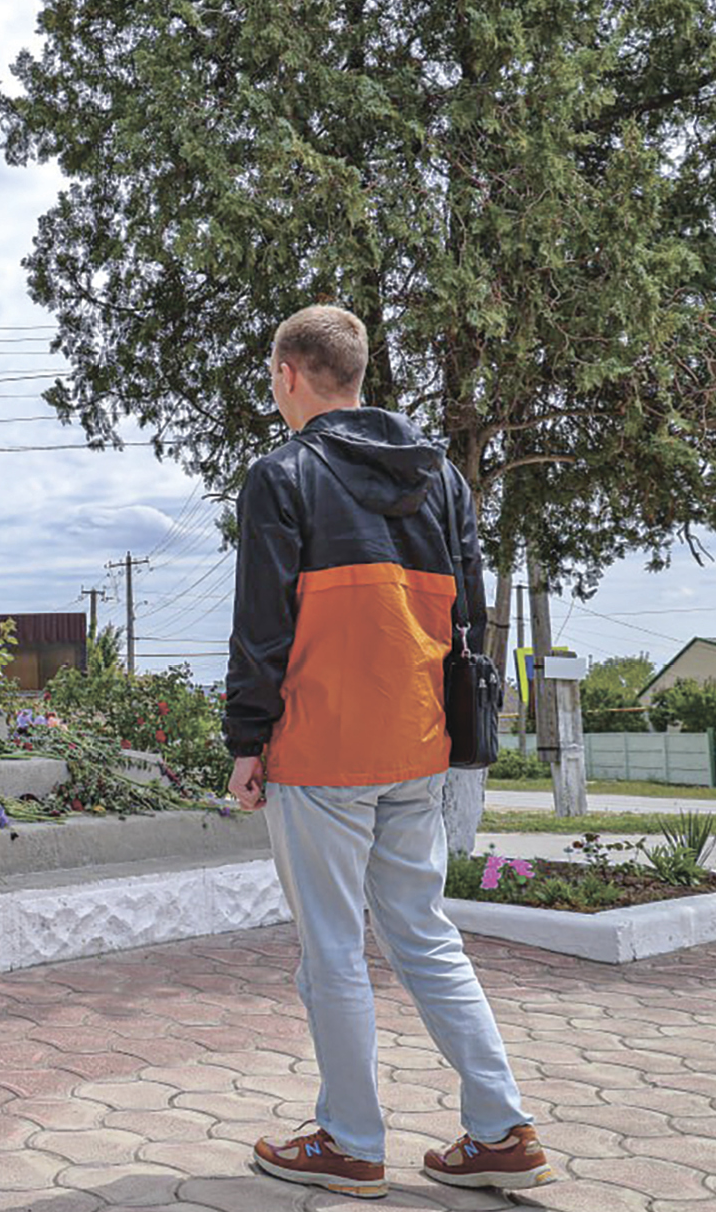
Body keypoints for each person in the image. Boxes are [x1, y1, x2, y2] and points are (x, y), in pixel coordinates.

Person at [222, 304, 556, 1200]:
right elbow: (466, 614)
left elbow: (262, 623)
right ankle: (500, 1128)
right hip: (419, 742)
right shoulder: (441, 477)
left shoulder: (281, 475)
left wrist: (246, 740)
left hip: (320, 745)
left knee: (330, 948)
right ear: (356, 375)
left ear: (290, 373)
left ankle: (348, 1140)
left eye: (270, 374)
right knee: (425, 934)